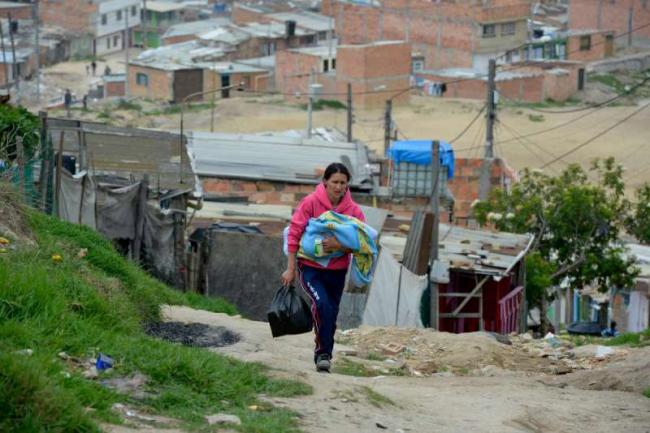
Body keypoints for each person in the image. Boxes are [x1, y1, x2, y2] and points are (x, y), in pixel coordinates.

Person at [282, 163, 365, 373]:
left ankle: (326, 351)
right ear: (325, 182)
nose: (339, 187)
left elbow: (363, 242)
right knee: (322, 305)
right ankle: (323, 354)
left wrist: (340, 245)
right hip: (310, 268)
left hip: (337, 271)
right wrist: (290, 269)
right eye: (335, 182)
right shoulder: (310, 203)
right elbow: (294, 233)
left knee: (332, 312)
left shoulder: (353, 211)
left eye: (343, 183)